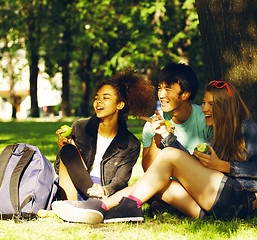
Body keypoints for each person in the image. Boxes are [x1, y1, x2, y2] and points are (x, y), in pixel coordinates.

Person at [52, 80, 257, 223]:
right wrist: (166, 137)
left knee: (167, 157)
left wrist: (221, 165)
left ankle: (125, 207)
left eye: (211, 104)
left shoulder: (247, 128)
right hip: (210, 208)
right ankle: (101, 207)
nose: (204, 108)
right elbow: (185, 165)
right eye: (204, 103)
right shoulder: (213, 137)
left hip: (240, 202)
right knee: (157, 180)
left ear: (226, 106)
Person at [54, 69, 156, 201]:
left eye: (105, 98)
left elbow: (120, 180)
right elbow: (59, 169)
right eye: (97, 98)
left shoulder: (131, 144)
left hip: (102, 192)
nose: (99, 102)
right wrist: (64, 148)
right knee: (68, 150)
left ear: (119, 105)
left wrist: (104, 190)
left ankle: (89, 205)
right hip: (73, 187)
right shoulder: (79, 128)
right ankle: (82, 205)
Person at [141, 62, 212, 171]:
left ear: (185, 94)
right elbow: (147, 169)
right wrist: (158, 137)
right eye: (160, 88)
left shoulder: (206, 120)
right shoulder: (152, 125)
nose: (161, 95)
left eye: (168, 89)